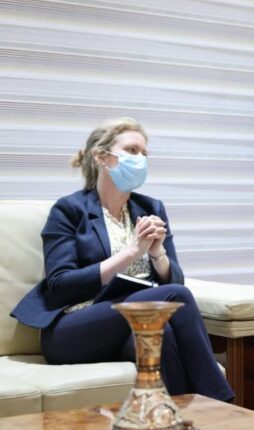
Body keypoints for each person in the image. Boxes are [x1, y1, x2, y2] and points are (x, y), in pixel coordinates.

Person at [11, 117, 234, 402]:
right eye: (131, 150)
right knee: (176, 297)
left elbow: (175, 280)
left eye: (144, 153)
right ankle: (222, 402)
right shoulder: (69, 210)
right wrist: (131, 252)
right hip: (73, 328)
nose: (140, 159)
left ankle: (181, 416)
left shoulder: (151, 208)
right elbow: (60, 285)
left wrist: (157, 253)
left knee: (162, 333)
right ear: (102, 157)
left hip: (132, 323)